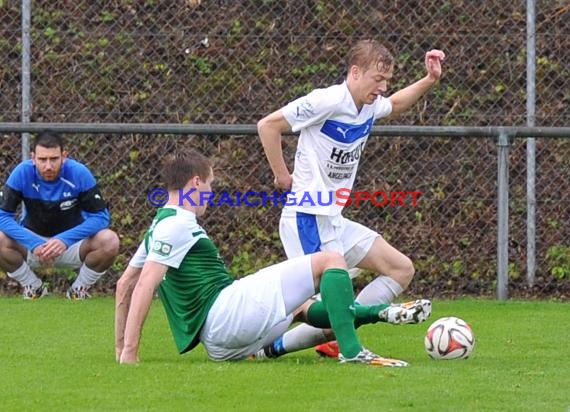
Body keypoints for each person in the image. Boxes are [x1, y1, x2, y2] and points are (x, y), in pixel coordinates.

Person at [114, 150, 431, 366]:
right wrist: (129, 352)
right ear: (195, 182)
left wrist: (118, 347)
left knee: (302, 308)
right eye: (209, 185)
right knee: (330, 260)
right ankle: (352, 352)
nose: (210, 193)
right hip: (226, 315)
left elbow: (124, 283)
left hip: (220, 346)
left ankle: (379, 313)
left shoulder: (159, 225)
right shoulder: (177, 224)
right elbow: (143, 286)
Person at [257, 39, 445, 358]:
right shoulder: (326, 101)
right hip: (307, 218)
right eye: (378, 79)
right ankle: (270, 346)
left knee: (400, 268)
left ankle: (337, 333)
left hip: (333, 219)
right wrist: (281, 175)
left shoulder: (369, 105)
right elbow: (268, 125)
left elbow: (396, 104)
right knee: (328, 307)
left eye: (387, 81)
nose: (383, 87)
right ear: (355, 72)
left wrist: (429, 80)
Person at [0, 132, 119, 300]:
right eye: (42, 160)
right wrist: (33, 243)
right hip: (33, 245)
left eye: (54, 159)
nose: (48, 166)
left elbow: (101, 217)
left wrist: (64, 240)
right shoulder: (22, 173)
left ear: (64, 156)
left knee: (110, 241)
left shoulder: (79, 173)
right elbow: (2, 216)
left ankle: (78, 291)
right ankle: (34, 289)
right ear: (33, 158)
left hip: (73, 244)